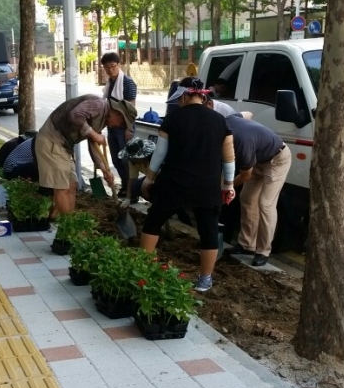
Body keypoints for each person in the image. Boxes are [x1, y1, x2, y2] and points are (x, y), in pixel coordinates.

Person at [140, 79, 235, 292]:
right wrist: (228, 185)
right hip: (207, 185)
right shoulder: (220, 120)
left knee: (154, 221)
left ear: (183, 96)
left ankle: (142, 267)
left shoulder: (173, 118)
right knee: (208, 230)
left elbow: (160, 154)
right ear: (202, 96)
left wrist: (149, 179)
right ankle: (205, 279)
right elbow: (229, 158)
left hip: (174, 182)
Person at [35, 94, 137, 216]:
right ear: (119, 114)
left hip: (64, 147)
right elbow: (75, 115)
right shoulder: (99, 105)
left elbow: (93, 144)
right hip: (52, 141)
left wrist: (104, 170)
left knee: (72, 184)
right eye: (122, 124)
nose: (119, 126)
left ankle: (68, 220)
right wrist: (95, 135)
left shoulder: (103, 120)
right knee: (62, 187)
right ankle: (67, 224)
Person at [226, 116, 292, 266]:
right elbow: (246, 114)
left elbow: (245, 175)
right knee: (247, 198)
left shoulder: (242, 142)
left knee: (266, 204)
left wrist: (227, 187)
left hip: (277, 159)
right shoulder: (227, 121)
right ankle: (247, 245)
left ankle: (263, 251)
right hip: (258, 159)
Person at [101, 51, 137, 193]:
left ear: (119, 65)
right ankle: (124, 186)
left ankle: (132, 192)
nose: (110, 69)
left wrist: (129, 129)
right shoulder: (110, 83)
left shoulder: (127, 83)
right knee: (116, 160)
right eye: (106, 67)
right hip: (112, 128)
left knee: (126, 161)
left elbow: (131, 109)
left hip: (124, 128)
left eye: (112, 66)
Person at [117, 138, 156, 206]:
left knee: (152, 190)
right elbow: (131, 179)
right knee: (135, 186)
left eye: (132, 157)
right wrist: (128, 198)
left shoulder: (154, 158)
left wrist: (146, 185)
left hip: (164, 179)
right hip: (150, 178)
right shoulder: (133, 161)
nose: (130, 159)